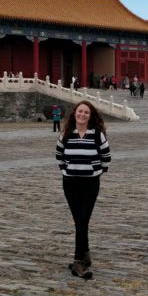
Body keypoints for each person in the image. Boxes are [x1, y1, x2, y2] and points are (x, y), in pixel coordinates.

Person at [54, 101, 111, 280]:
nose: (82, 115)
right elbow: (59, 155)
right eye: (80, 111)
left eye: (86, 112)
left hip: (90, 184)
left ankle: (79, 260)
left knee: (83, 218)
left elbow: (106, 158)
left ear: (90, 115)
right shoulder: (66, 134)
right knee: (79, 219)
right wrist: (67, 170)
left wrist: (96, 172)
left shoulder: (97, 135)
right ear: (75, 114)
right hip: (70, 182)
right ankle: (84, 254)